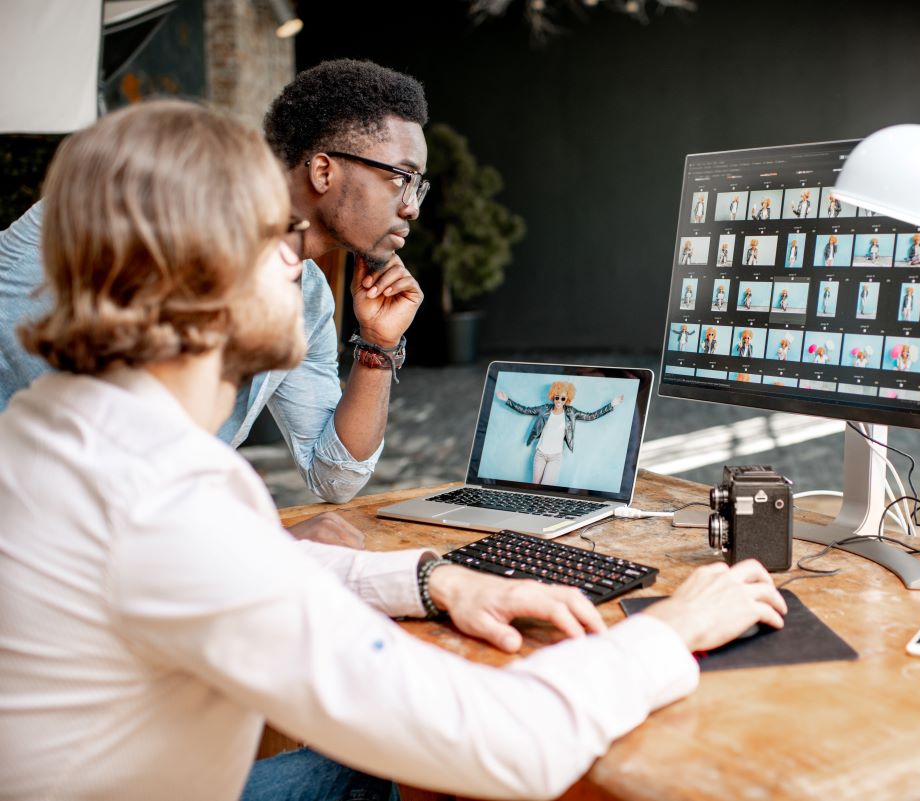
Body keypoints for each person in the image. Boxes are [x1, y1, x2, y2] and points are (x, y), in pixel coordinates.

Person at [0, 100, 788, 801]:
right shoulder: (166, 494)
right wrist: (670, 630)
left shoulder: (53, 424)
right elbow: (505, 740)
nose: (298, 262)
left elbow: (235, 561)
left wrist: (434, 577)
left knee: (378, 766)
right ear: (199, 274)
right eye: (274, 237)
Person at [0, 60, 430, 522]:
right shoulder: (134, 220)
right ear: (323, 171)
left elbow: (335, 478)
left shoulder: (307, 299)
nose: (411, 208)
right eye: (400, 178)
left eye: (418, 186)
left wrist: (378, 347)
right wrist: (270, 544)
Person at [494, 382, 623, 485]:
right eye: (557, 397)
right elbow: (525, 410)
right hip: (540, 454)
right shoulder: (544, 409)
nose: (559, 401)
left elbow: (591, 416)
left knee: (545, 489)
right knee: (535, 487)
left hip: (555, 457)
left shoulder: (571, 412)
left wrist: (612, 405)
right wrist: (507, 400)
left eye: (563, 398)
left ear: (567, 399)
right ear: (553, 396)